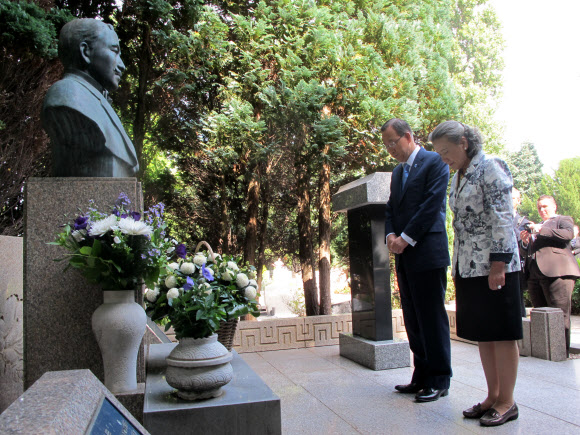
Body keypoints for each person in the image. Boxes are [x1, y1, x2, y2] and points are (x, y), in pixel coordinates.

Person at [430, 120, 522, 427]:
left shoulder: (491, 166)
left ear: (464, 143)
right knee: (484, 333)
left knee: (502, 333)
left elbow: (503, 217)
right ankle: (492, 396)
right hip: (468, 266)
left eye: (446, 151)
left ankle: (507, 402)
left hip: (495, 266)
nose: (443, 158)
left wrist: (498, 265)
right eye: (439, 153)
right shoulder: (459, 175)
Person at [382, 118, 452, 403]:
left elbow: (431, 205)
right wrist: (389, 235)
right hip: (404, 253)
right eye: (385, 144)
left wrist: (405, 237)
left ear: (408, 136)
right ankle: (420, 376)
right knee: (412, 317)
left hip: (427, 250)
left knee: (431, 317)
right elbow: (391, 208)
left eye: (392, 142)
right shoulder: (398, 173)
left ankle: (439, 379)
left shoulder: (434, 162)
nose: (390, 149)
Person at [42, 18, 139, 177]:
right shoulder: (67, 95)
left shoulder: (96, 100)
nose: (121, 65)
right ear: (85, 51)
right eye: (114, 51)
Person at [521, 196, 580, 356]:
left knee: (559, 314)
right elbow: (529, 252)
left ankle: (561, 352)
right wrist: (525, 242)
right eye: (539, 207)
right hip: (535, 274)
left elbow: (568, 235)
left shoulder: (562, 220)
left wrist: (541, 229)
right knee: (540, 314)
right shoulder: (537, 227)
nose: (542, 210)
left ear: (554, 206)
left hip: (558, 272)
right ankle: (543, 351)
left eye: (545, 206)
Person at [512, 188, 531, 316]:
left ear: (518, 201)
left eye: (512, 198)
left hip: (516, 267)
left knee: (517, 304)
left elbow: (527, 249)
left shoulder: (525, 223)